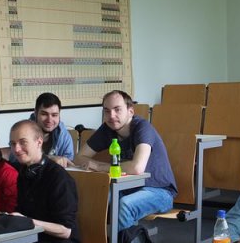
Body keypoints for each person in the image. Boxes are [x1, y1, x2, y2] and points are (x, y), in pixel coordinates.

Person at [76, 90, 177, 231]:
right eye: (107, 111)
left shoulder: (142, 128)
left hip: (159, 191)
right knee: (96, 198)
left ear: (130, 111)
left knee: (125, 205)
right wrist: (92, 164)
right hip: (126, 189)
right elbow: (79, 157)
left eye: (117, 109)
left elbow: (137, 168)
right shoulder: (107, 129)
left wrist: (98, 166)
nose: (111, 116)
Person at [5, 93, 75, 167]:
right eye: (44, 114)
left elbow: (69, 163)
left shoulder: (64, 135)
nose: (49, 120)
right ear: (35, 113)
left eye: (54, 115)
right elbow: (15, 160)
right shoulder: (22, 131)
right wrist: (48, 159)